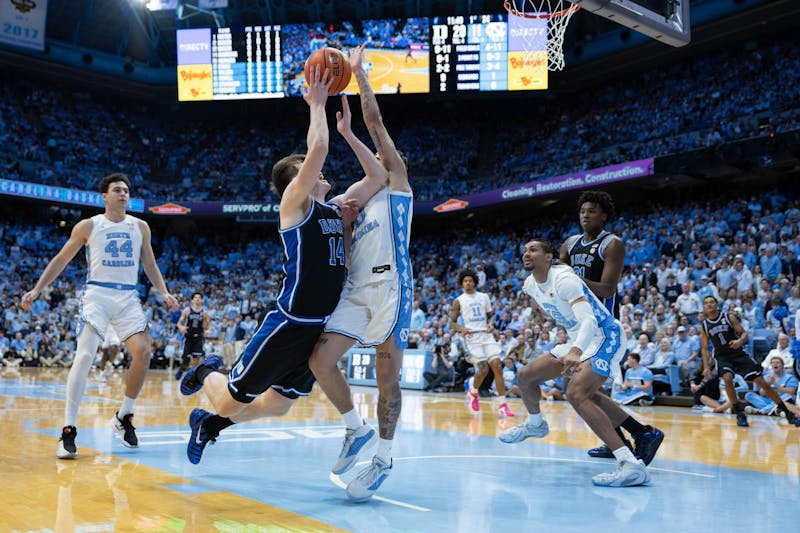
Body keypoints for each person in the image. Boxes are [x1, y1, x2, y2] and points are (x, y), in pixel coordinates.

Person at [180, 64, 384, 469]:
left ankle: (208, 424)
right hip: (290, 322)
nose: (319, 170)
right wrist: (317, 105)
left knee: (277, 406)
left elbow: (378, 176)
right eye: (308, 169)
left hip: (320, 325)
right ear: (295, 182)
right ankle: (204, 372)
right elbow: (318, 147)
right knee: (230, 400)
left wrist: (348, 133)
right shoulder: (294, 205)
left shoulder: (335, 207)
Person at [307, 43, 414, 503]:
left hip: (391, 286)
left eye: (387, 152)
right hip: (356, 288)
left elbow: (375, 122)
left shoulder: (398, 183)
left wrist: (358, 74)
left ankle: (383, 459)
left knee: (388, 381)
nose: (383, 153)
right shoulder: (360, 197)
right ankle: (355, 427)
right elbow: (346, 254)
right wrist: (347, 225)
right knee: (320, 361)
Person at [21, 173, 179, 459]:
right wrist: (37, 289)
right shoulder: (89, 226)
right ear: (104, 196)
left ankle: (124, 416)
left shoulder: (140, 226)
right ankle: (68, 429)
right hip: (97, 296)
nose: (123, 194)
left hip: (127, 297)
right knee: (84, 356)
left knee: (144, 352)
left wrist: (164, 292)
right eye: (117, 190)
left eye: (126, 190)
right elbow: (61, 259)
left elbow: (150, 264)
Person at [499, 239, 662, 487]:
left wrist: (576, 351)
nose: (526, 254)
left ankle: (630, 464)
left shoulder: (565, 279)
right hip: (578, 337)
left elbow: (589, 321)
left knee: (576, 393)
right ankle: (535, 424)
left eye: (533, 249)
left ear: (549, 257)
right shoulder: (530, 284)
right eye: (524, 250)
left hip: (604, 334)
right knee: (526, 376)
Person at [559, 190, 662, 461]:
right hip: (579, 327)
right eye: (583, 211)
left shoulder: (612, 244)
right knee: (587, 391)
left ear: (604, 215)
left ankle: (641, 434)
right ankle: (618, 440)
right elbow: (559, 282)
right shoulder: (570, 244)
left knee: (578, 391)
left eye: (592, 211)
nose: (585, 215)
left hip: (603, 327)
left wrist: (572, 280)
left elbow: (607, 289)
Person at [700, 296, 800, 427]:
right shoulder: (705, 325)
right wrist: (706, 366)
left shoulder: (729, 317)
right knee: (727, 378)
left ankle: (787, 412)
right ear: (704, 307)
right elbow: (705, 348)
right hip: (722, 357)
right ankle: (740, 414)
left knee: (762, 383)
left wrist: (739, 341)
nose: (709, 305)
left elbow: (744, 334)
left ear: (717, 304)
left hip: (738, 354)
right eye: (706, 303)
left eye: (711, 302)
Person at [449, 268, 516, 417]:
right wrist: (462, 329)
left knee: (497, 366)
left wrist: (491, 324)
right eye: (465, 281)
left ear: (475, 282)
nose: (468, 283)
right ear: (462, 283)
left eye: (470, 280)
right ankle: (473, 392)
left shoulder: (484, 297)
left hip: (486, 336)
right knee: (484, 369)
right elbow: (451, 324)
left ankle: (502, 405)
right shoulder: (458, 301)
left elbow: (490, 316)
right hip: (471, 338)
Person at [174, 291, 210, 380]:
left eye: (199, 298)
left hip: (199, 337)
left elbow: (208, 325)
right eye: (195, 297)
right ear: (192, 300)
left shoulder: (204, 312)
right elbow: (179, 323)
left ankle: (192, 376)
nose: (197, 299)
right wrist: (181, 327)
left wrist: (208, 330)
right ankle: (181, 369)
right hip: (189, 337)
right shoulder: (187, 310)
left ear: (202, 300)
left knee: (196, 358)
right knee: (186, 358)